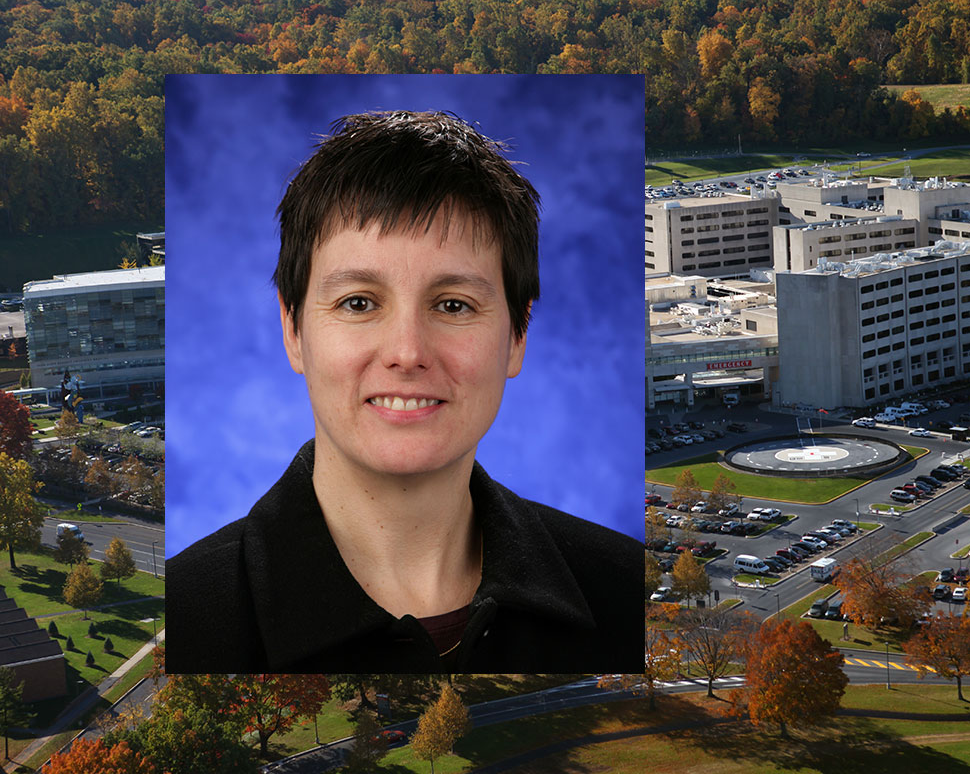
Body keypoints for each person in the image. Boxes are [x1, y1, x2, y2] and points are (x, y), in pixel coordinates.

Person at [166, 111, 643, 674]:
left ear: (518, 336)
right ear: (293, 331)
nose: (407, 351)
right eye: (359, 303)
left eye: (453, 305)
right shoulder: (183, 622)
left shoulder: (629, 590)